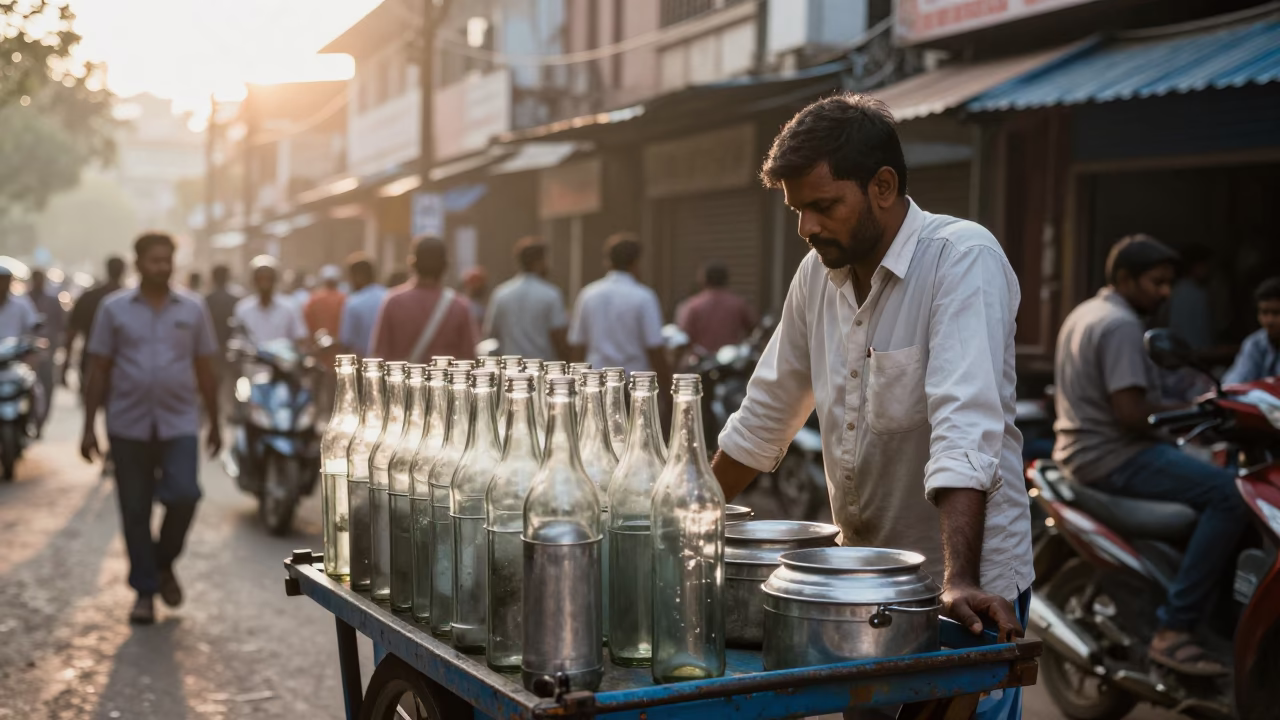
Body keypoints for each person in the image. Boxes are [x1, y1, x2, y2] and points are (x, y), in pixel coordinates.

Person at [711, 94, 1031, 720]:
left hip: (965, 594)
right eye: (797, 210)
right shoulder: (815, 277)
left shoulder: (961, 258)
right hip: (863, 588)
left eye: (823, 206)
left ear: (882, 186)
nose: (806, 226)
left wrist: (958, 578)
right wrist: (673, 520)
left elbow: (964, 431)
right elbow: (763, 418)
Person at [1053, 234, 1247, 676]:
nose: (1165, 293)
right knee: (1231, 496)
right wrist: (1197, 414)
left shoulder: (1085, 312)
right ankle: (1175, 629)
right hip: (1114, 455)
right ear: (1124, 278)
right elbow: (1132, 414)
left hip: (1084, 453)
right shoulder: (1120, 324)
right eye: (1157, 283)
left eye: (1168, 284)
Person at [79, 232, 221, 625]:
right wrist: (89, 426)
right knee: (135, 509)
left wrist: (215, 422)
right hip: (128, 425)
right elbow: (99, 369)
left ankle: (162, 563)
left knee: (185, 495)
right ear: (138, 263)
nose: (162, 267)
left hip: (179, 423)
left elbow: (206, 369)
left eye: (167, 260)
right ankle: (144, 591)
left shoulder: (193, 309)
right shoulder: (114, 309)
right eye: (154, 260)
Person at [567, 233, 668, 378]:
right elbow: (655, 348)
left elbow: (578, 347)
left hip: (596, 382)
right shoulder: (644, 297)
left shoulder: (588, 294)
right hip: (633, 384)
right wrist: (668, 393)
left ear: (607, 261)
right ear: (636, 262)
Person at [370, 237, 478, 362]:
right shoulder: (459, 307)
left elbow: (379, 355)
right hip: (446, 381)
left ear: (412, 263)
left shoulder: (393, 302)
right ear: (445, 265)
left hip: (403, 380)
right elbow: (469, 358)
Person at [482, 237, 570, 360]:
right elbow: (559, 336)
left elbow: (491, 332)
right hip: (542, 368)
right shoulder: (551, 294)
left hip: (510, 369)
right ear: (539, 261)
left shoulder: (501, 293)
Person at [64, 256, 126, 391]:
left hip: (92, 358)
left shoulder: (90, 297)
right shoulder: (129, 301)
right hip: (120, 363)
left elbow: (72, 332)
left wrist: (65, 364)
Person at [675, 262, 756, 354]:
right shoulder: (739, 304)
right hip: (731, 361)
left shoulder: (692, 306)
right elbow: (754, 331)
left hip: (701, 360)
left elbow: (683, 336)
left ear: (703, 279)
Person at [233, 256, 308, 347]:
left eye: (268, 278)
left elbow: (299, 336)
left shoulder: (290, 307)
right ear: (254, 281)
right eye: (260, 278)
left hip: (284, 360)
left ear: (275, 279)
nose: (264, 283)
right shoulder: (243, 308)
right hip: (253, 359)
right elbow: (239, 340)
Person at [27, 270, 67, 434]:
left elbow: (61, 325)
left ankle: (41, 419)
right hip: (25, 354)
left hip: (47, 352)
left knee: (47, 384)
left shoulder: (52, 301)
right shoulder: (24, 300)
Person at [1222, 276, 1280, 384]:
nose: (1269, 320)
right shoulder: (1254, 343)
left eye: (1276, 313)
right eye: (1264, 312)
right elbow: (1234, 383)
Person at [1166, 245, 1215, 350]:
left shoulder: (1187, 290)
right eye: (1206, 265)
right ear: (1195, 266)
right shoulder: (1190, 293)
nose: (1210, 270)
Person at [338, 254, 385, 357]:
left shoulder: (354, 303)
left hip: (365, 365)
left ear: (358, 276)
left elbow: (346, 342)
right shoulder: (388, 297)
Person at [304, 264, 345, 339]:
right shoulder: (344, 299)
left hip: (318, 341)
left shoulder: (314, 299)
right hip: (338, 342)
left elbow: (307, 321)